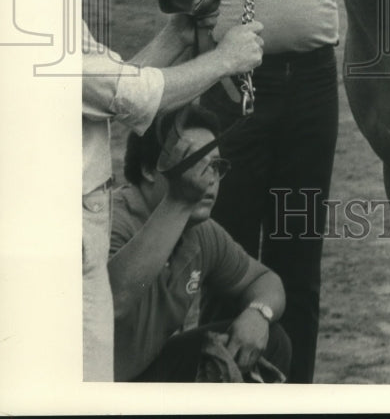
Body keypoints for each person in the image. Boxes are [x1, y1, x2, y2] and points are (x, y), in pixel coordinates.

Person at [81, 0, 266, 381]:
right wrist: (225, 60)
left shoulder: (55, 18)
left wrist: (180, 32)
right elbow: (129, 96)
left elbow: (113, 83)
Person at [201, 0, 340, 384]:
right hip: (231, 82)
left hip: (312, 84)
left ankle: (293, 391)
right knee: (225, 253)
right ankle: (221, 390)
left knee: (298, 257)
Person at [108, 105, 292, 382]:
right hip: (86, 392)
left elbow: (266, 280)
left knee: (272, 341)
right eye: (194, 163)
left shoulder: (201, 232)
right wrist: (179, 202)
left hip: (145, 377)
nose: (209, 179)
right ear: (148, 168)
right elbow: (112, 301)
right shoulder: (111, 221)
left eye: (215, 166)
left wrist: (259, 313)